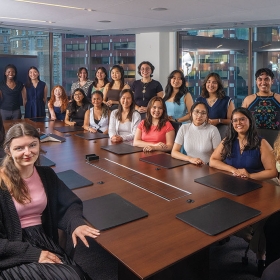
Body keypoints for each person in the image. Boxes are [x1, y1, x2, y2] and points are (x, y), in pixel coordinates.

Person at [0, 123, 100, 279]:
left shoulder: (46, 174)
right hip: (14, 250)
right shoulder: (1, 182)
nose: (27, 152)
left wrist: (75, 223)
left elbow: (68, 203)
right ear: (8, 150)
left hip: (43, 239)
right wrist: (32, 254)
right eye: (19, 148)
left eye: (33, 145)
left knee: (78, 275)